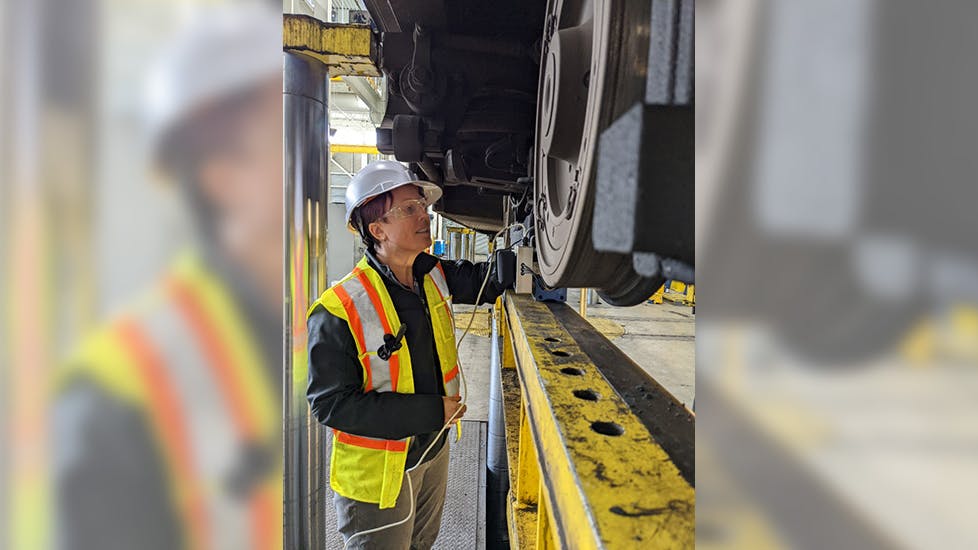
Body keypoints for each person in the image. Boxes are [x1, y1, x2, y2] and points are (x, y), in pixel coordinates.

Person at [51, 7, 283, 549]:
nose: (314, 149)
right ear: (222, 174)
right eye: (283, 132)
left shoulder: (271, 323)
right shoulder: (114, 393)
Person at [306, 160, 513, 549]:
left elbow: (482, 281)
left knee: (423, 543)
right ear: (377, 229)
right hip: (380, 471)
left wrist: (522, 260)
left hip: (432, 450)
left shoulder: (429, 272)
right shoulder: (338, 308)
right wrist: (431, 412)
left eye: (423, 206)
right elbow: (331, 406)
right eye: (409, 209)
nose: (425, 215)